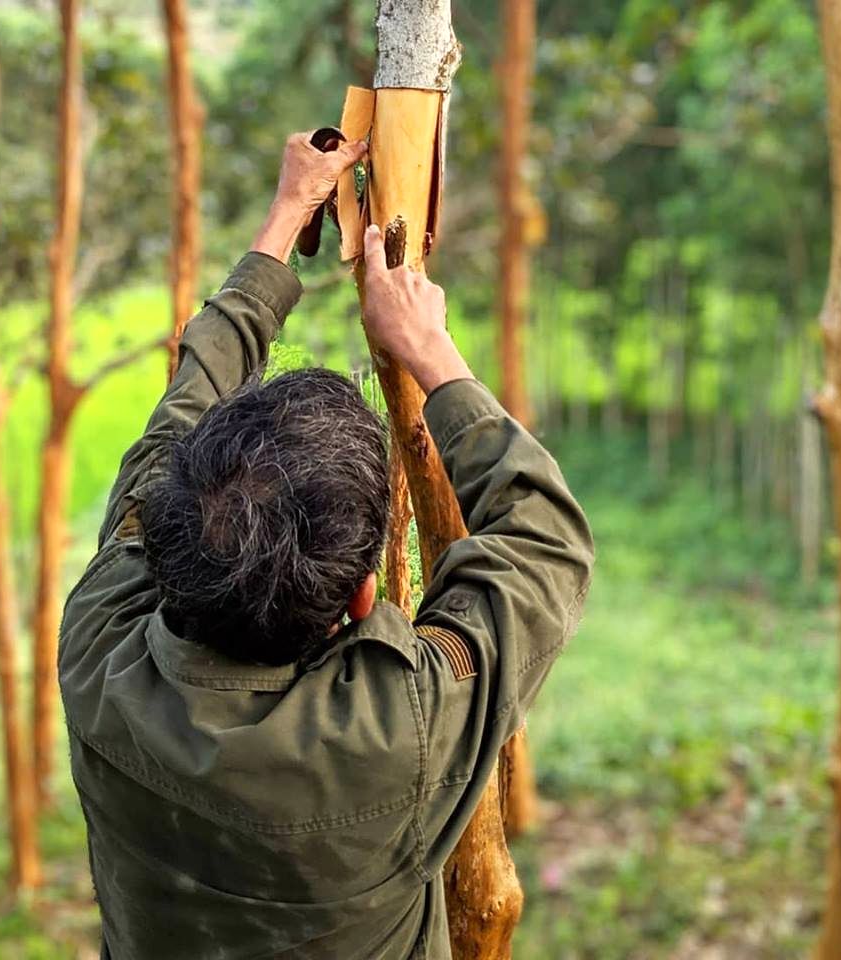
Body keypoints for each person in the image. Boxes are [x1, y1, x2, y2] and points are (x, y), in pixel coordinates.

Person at [59, 130, 594, 960]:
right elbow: (548, 542)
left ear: (170, 532)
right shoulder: (395, 735)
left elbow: (178, 421)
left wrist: (285, 218)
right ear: (360, 597)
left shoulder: (99, 645)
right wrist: (426, 345)